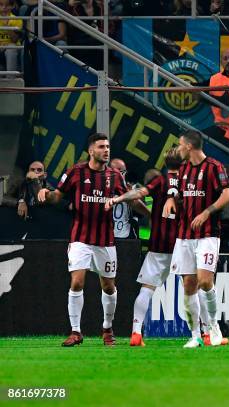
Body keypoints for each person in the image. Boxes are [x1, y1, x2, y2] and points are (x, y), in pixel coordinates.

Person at [38, 133, 126, 347]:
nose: (106, 150)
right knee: (77, 282)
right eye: (101, 147)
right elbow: (58, 195)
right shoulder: (76, 172)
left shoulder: (115, 176)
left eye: (107, 146)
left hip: (106, 240)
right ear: (91, 150)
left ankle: (107, 328)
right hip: (80, 238)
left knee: (108, 287)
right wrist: (46, 194)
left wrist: (150, 215)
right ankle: (76, 331)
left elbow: (129, 197)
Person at [163, 130, 229, 348]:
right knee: (188, 286)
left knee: (205, 281)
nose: (178, 148)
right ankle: (195, 335)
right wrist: (171, 199)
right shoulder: (181, 169)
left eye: (180, 144)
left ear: (190, 146)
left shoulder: (214, 167)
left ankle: (213, 327)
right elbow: (175, 189)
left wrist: (206, 213)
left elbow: (228, 194)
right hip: (184, 235)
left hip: (208, 234)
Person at [105, 148, 181, 347]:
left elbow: (139, 193)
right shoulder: (191, 181)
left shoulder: (160, 180)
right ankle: (204, 333)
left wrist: (120, 198)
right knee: (197, 288)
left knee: (146, 290)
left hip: (159, 244)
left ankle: (136, 332)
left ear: (165, 163)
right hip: (184, 242)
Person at [203, 48, 229, 145]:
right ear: (221, 62)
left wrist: (201, 97)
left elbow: (225, 101)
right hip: (221, 127)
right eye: (225, 59)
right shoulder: (214, 78)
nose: (228, 61)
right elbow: (199, 85)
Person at [109, 159, 149, 239]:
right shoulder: (102, 185)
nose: (122, 174)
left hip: (127, 235)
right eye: (119, 171)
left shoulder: (136, 188)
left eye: (124, 171)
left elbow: (140, 214)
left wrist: (130, 192)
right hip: (107, 235)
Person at [0, 0, 21, 73]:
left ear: (12, 6)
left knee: (11, 48)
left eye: (7, 5)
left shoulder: (17, 20)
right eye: (1, 5)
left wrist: (6, 26)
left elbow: (15, 39)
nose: (4, 8)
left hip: (11, 45)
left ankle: (11, 79)